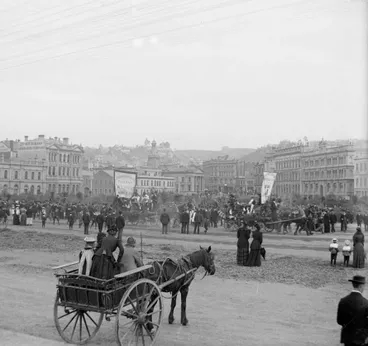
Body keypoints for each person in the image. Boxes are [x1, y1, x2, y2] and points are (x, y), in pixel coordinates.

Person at [337, 275, 368, 346]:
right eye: (364, 286)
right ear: (361, 286)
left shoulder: (343, 301)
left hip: (347, 337)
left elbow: (339, 321)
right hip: (360, 339)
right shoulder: (366, 303)